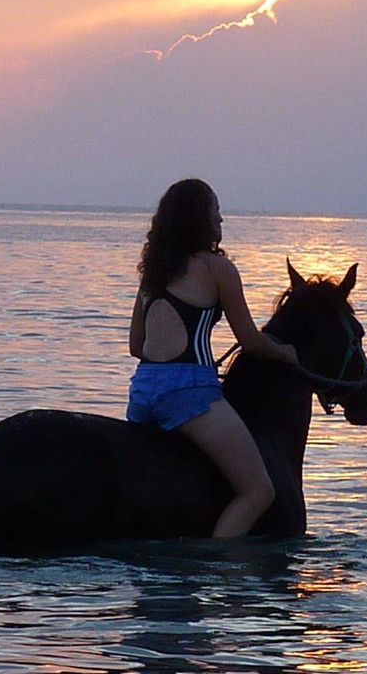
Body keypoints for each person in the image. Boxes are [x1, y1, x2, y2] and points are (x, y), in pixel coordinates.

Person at [127, 178, 298, 538]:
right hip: (189, 395)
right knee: (259, 491)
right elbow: (250, 341)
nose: (220, 222)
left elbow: (136, 346)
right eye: (215, 213)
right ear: (198, 219)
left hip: (142, 392)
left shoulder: (153, 273)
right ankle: (218, 564)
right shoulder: (217, 269)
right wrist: (285, 352)